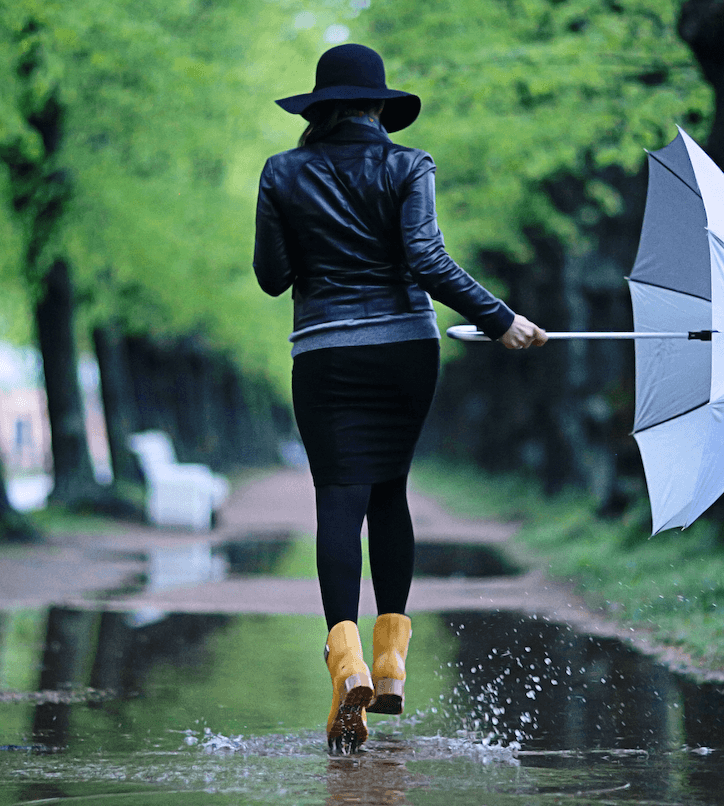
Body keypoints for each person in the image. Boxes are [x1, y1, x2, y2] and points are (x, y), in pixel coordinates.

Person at [254, 43, 548, 754]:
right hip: (404, 353)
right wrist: (499, 317)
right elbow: (426, 258)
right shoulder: (408, 164)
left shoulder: (282, 172)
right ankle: (389, 663)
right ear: (382, 107)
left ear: (318, 110)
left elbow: (272, 277)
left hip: (325, 354)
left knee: (339, 500)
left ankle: (346, 660)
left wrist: (305, 232)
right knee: (390, 493)